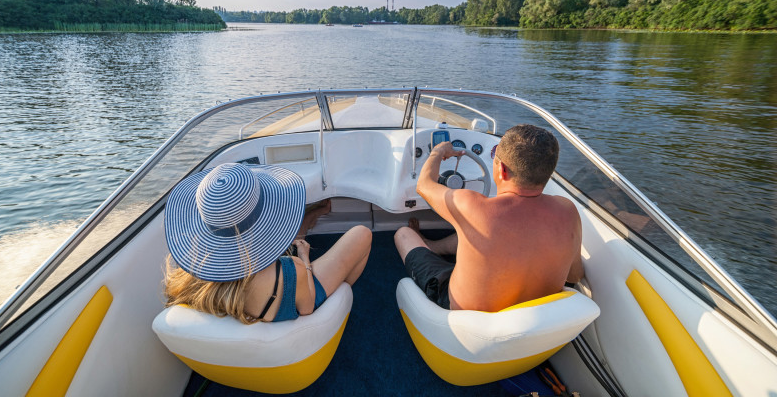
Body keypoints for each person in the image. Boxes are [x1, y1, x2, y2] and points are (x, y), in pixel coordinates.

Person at [394, 124, 584, 311]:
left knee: (403, 234)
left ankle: (428, 248)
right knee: (474, 232)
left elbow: (424, 184)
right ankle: (433, 247)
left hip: (464, 315)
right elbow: (575, 275)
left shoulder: (472, 207)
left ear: (501, 169)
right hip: (536, 319)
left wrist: (438, 151)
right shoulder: (568, 211)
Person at [163, 162, 371, 323]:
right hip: (291, 296)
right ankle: (340, 292)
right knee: (362, 234)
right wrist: (305, 260)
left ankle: (309, 218)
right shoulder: (292, 270)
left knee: (292, 242)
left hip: (261, 298)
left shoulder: (188, 275)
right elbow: (306, 307)